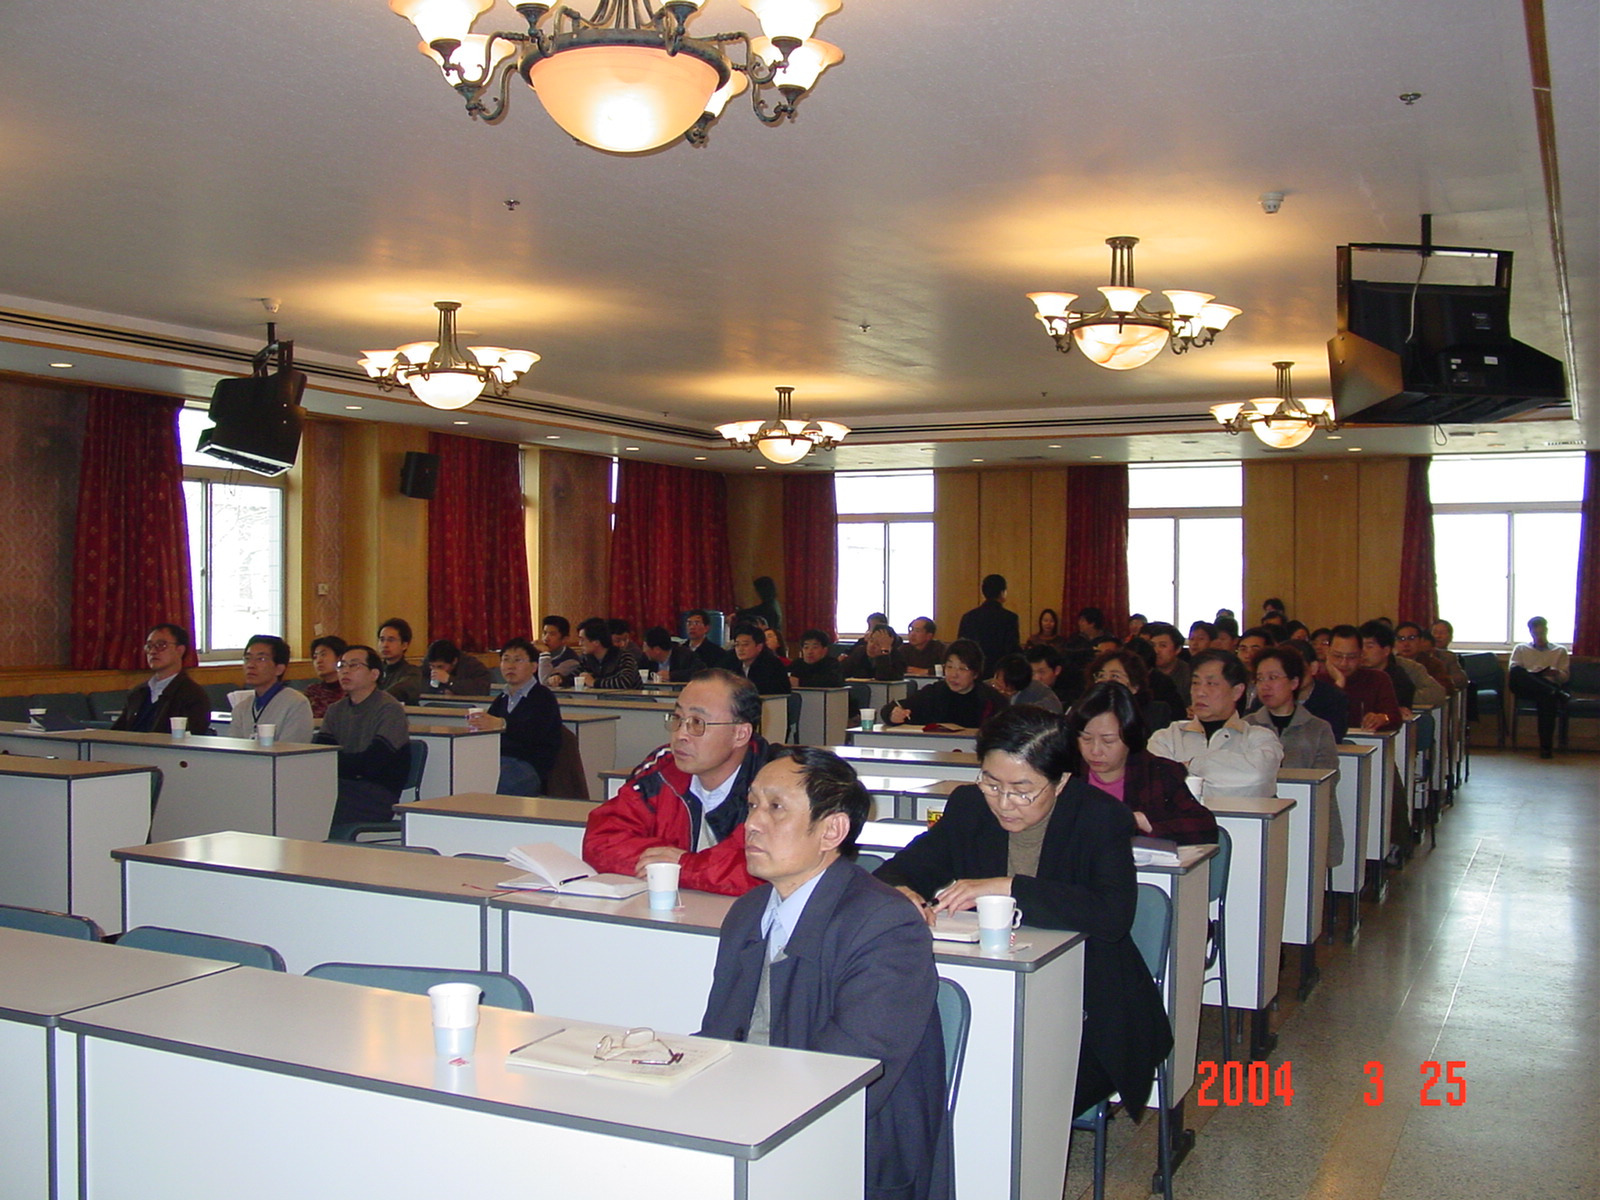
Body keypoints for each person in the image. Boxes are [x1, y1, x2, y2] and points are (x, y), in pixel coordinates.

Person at [874, 706, 1173, 1117]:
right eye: (992, 783)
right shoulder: (970, 806)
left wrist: (1009, 887)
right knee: (938, 1077)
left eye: (1022, 789)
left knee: (1013, 1097)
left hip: (1089, 1004)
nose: (1004, 803)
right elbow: (898, 871)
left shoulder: (1101, 818)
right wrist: (900, 891)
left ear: (1061, 781)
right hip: (993, 995)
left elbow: (1112, 915)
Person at [699, 746, 951, 1200]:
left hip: (849, 1152)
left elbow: (846, 1078)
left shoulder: (885, 924)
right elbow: (722, 1036)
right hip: (754, 1128)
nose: (752, 822)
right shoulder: (747, 913)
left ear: (832, 830)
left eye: (776, 807)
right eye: (752, 804)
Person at [582, 670, 777, 895]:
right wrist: (674, 866)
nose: (681, 735)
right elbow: (601, 840)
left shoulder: (779, 785)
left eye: (697, 723)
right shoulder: (663, 769)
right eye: (677, 718)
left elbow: (773, 868)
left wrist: (685, 867)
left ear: (740, 734)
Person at [1067, 681, 1217, 844]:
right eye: (1086, 739)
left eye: (1108, 741)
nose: (1095, 750)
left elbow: (1205, 827)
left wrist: (1145, 824)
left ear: (1130, 735)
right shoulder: (1065, 774)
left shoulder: (1159, 773)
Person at [1148, 650, 1283, 798]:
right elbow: (1157, 785)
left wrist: (1191, 765)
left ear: (1237, 691)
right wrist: (1229, 778)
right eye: (1195, 683)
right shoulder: (1167, 737)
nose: (1200, 692)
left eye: (1211, 683)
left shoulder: (1259, 738)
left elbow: (1257, 777)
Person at [316, 644, 411, 829]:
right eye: (342, 665)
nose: (345, 671)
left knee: (314, 802)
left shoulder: (389, 709)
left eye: (354, 665)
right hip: (341, 785)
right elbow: (321, 757)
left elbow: (372, 764)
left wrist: (340, 763)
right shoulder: (335, 710)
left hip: (377, 795)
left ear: (374, 674)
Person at [471, 636, 561, 796]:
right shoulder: (502, 698)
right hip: (499, 760)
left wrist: (503, 724)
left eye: (518, 660)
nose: (510, 666)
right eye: (506, 660)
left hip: (529, 765)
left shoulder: (543, 697)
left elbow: (534, 733)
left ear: (534, 667)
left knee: (497, 785)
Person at [1245, 646, 1339, 773]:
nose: (1265, 686)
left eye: (1273, 677)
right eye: (1260, 679)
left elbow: (1328, 777)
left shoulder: (1318, 728)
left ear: (1294, 682)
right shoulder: (1246, 726)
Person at [112, 623, 212, 735]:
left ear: (180, 650)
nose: (153, 651)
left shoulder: (193, 695)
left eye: (161, 645)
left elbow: (192, 737)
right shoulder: (137, 693)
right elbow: (117, 732)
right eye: (149, 646)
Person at [881, 640, 1004, 730]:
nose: (953, 675)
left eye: (962, 669)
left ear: (975, 673)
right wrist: (892, 714)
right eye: (949, 667)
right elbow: (891, 708)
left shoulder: (991, 699)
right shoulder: (933, 693)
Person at [228, 634, 313, 744]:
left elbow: (292, 749)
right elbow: (234, 747)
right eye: (247, 659)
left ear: (279, 669)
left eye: (261, 659)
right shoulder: (242, 707)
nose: (250, 665)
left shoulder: (297, 704)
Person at [1510, 615, 1570, 758]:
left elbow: (1565, 677)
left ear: (1546, 631)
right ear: (1531, 633)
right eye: (1536, 633)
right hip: (1526, 687)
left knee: (1547, 697)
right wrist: (1532, 674)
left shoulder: (1559, 650)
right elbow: (1514, 672)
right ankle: (1555, 692)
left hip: (1548, 685)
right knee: (1517, 671)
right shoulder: (1521, 648)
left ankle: (1546, 748)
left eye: (1542, 633)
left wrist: (1556, 673)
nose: (1539, 636)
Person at [1324, 625, 1403, 732]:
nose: (1344, 663)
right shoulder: (1317, 681)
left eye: (1351, 657)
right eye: (1337, 656)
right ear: (1328, 652)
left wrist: (1383, 718)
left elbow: (1395, 719)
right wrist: (1339, 683)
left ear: (1361, 655)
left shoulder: (1378, 679)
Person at [1085, 647, 1172, 731]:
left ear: (1135, 687)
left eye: (1115, 676)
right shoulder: (1085, 710)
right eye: (1101, 676)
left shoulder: (1156, 712)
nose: (1105, 681)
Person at [957, 573, 1020, 669]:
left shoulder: (969, 617)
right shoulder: (1010, 618)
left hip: (975, 669)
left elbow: (962, 648)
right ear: (1002, 593)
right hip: (1000, 670)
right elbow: (1012, 650)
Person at [576, 617, 642, 689]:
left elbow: (625, 682)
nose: (580, 644)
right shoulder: (586, 659)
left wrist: (594, 682)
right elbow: (574, 676)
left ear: (596, 642)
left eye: (582, 640)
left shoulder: (624, 657)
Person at [729, 621, 792, 694]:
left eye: (745, 644)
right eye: (737, 645)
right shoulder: (731, 663)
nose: (740, 649)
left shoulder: (772, 665)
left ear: (759, 647)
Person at [991, 652, 1063, 712]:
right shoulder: (987, 688)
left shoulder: (1043, 697)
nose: (1002, 693)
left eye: (1008, 691)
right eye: (997, 686)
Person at [375, 618, 423, 705]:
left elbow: (400, 691)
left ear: (404, 645)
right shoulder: (373, 670)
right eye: (382, 640)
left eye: (391, 640)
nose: (385, 645)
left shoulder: (412, 672)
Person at [424, 638, 493, 697]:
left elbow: (482, 690)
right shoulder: (427, 665)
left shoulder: (473, 666)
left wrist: (450, 681)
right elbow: (421, 685)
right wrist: (441, 691)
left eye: (440, 667)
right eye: (432, 666)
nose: (436, 670)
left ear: (454, 661)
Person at [1145, 621, 1192, 700]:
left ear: (1178, 649)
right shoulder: (1145, 671)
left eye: (1163, 645)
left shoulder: (1188, 675)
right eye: (1152, 645)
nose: (1156, 651)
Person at [843, 623, 907, 681]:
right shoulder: (860, 652)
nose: (872, 646)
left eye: (878, 644)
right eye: (871, 641)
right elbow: (842, 673)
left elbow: (884, 678)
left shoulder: (897, 657)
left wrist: (884, 652)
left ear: (890, 647)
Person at [304, 635, 348, 718]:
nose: (318, 661)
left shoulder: (349, 690)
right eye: (315, 657)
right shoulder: (312, 691)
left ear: (340, 658)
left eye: (323, 655)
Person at [538, 615, 583, 688]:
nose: (546, 638)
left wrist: (545, 654)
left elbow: (546, 682)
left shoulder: (571, 661)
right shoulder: (536, 652)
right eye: (544, 633)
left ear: (564, 639)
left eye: (552, 634)